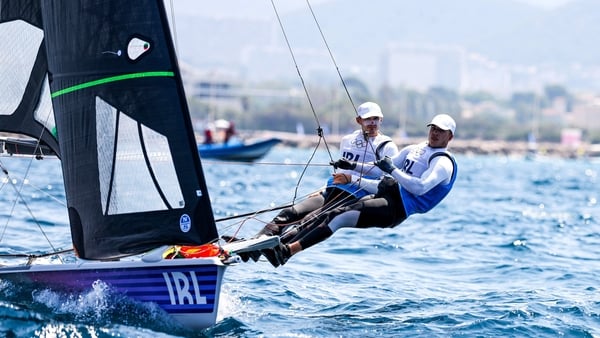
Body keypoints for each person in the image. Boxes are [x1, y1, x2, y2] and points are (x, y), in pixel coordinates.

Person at [263, 114, 458, 267]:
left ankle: (286, 253)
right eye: (433, 128)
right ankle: (277, 244)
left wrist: (392, 170)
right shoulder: (415, 149)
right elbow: (379, 167)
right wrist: (351, 165)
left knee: (338, 217)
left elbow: (420, 187)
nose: (435, 133)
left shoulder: (443, 163)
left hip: (397, 208)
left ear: (450, 136)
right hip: (386, 193)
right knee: (328, 213)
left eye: (441, 131)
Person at [254, 102, 399, 240]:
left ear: (381, 120)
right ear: (359, 120)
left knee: (310, 220)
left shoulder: (387, 146)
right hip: (332, 190)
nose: (372, 123)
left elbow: (384, 185)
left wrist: (351, 179)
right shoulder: (347, 140)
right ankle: (256, 241)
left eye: (376, 119)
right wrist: (323, 188)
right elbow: (341, 170)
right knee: (291, 212)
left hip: (355, 196)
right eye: (368, 119)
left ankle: (277, 248)